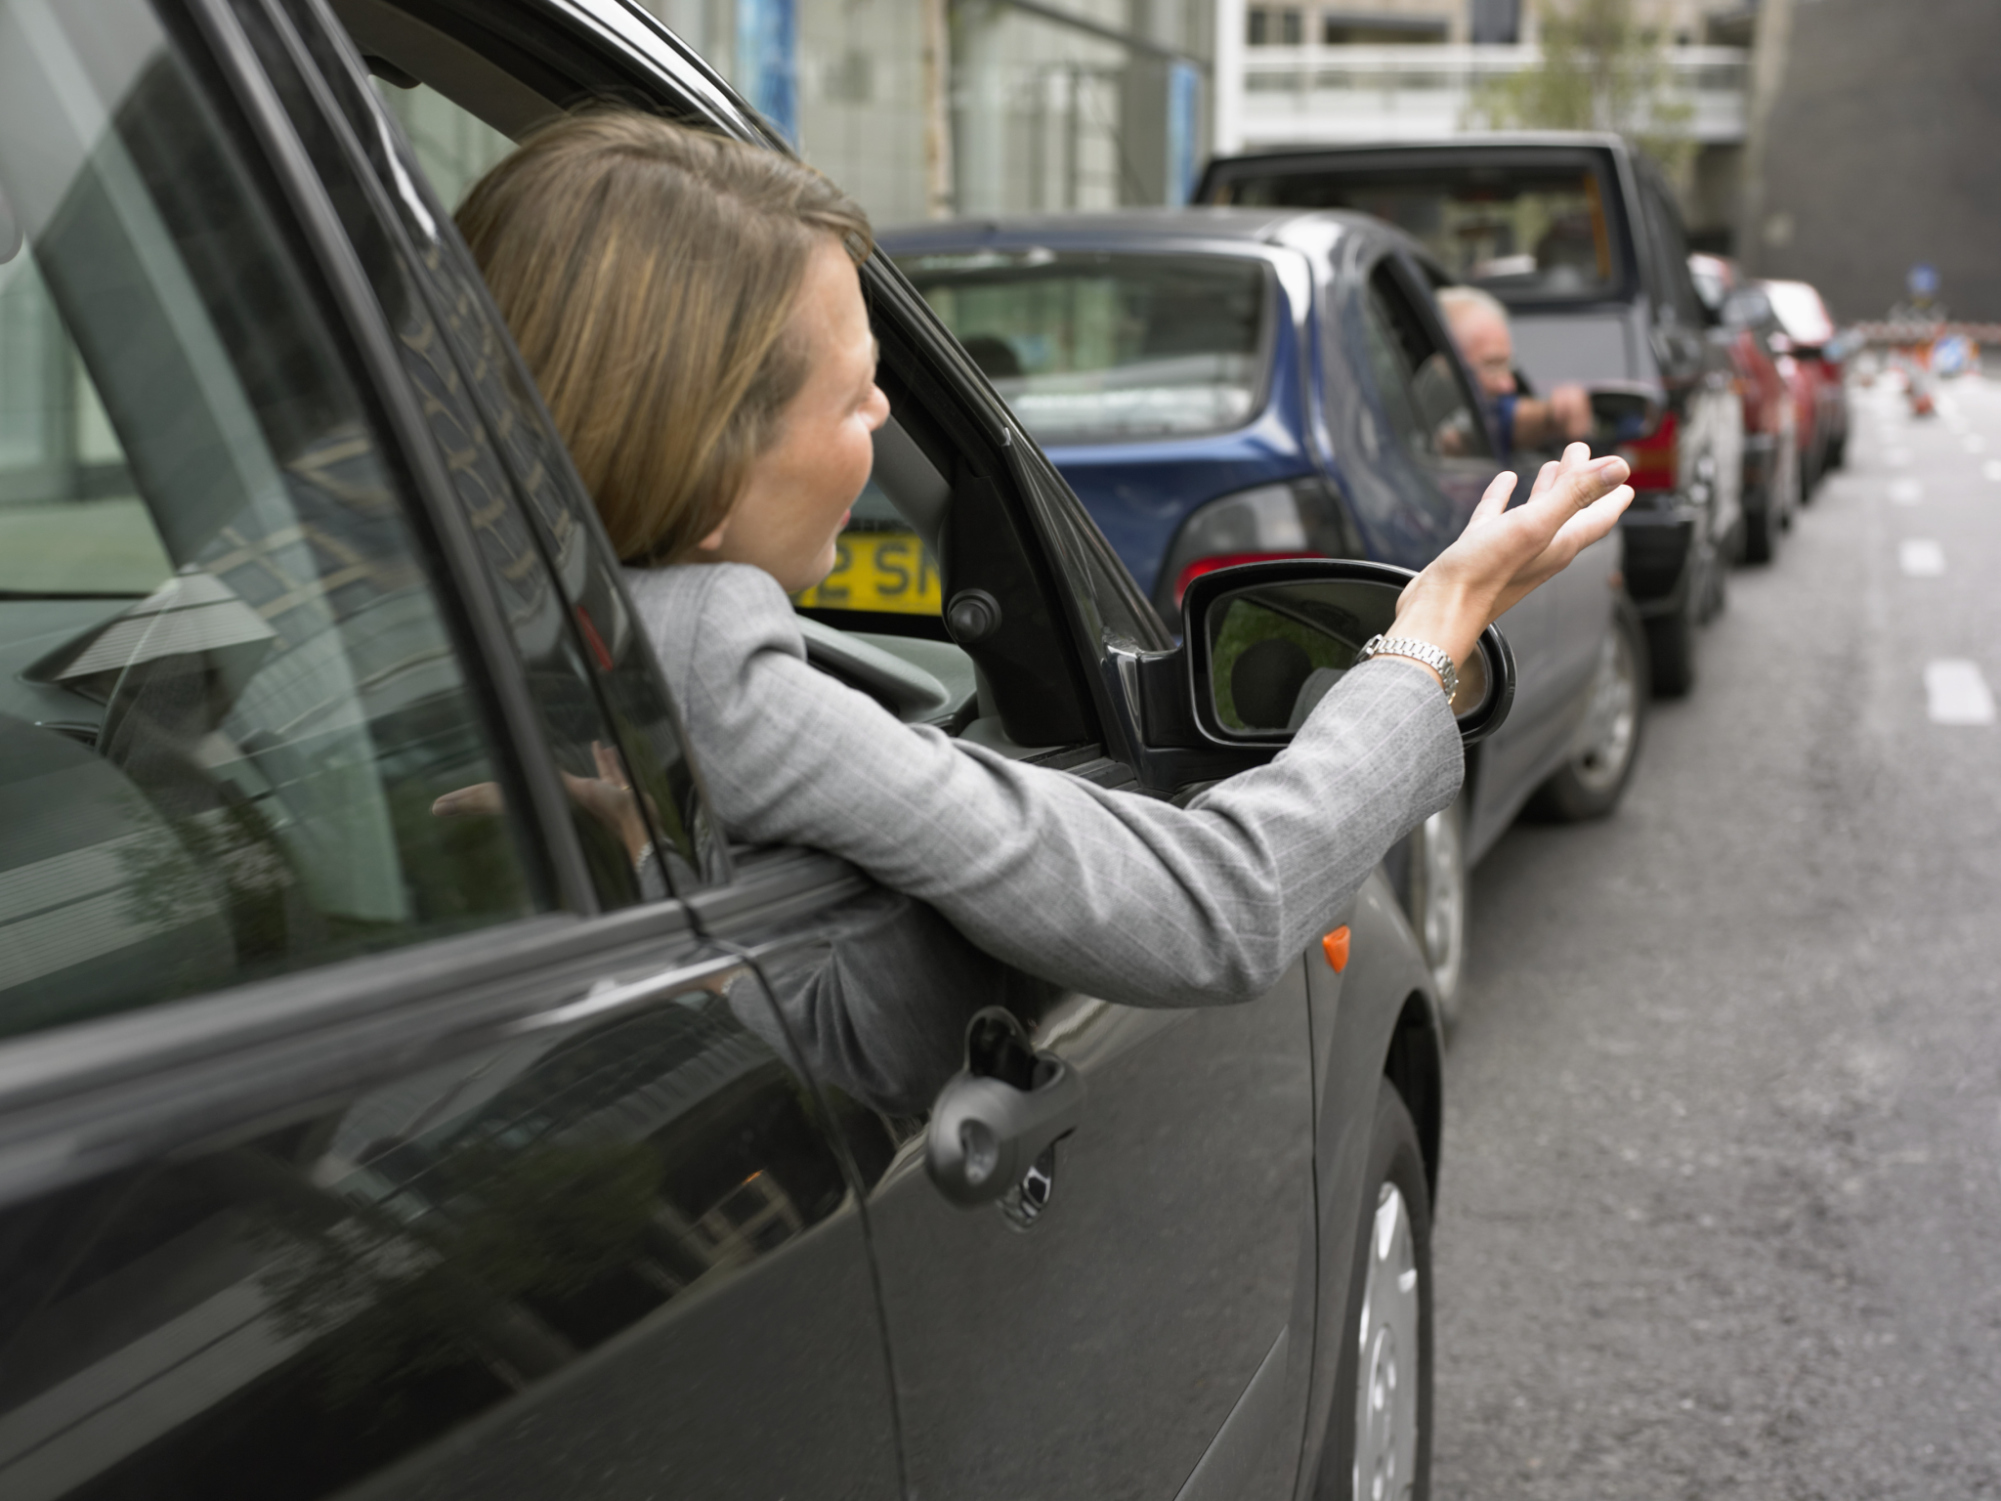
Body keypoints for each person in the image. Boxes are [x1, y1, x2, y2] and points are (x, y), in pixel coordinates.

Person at [446, 111, 1632, 1010]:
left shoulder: (474, 616)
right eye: (858, 396)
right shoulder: (710, 654)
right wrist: (1436, 622)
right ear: (705, 457)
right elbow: (1214, 906)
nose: (877, 425)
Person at [1437, 285, 1592, 458]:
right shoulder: (1425, 430)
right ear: (1439, 365)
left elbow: (1508, 418)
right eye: (1491, 365)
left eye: (1508, 366)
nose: (1508, 385)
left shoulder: (1482, 411)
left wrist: (1555, 413)